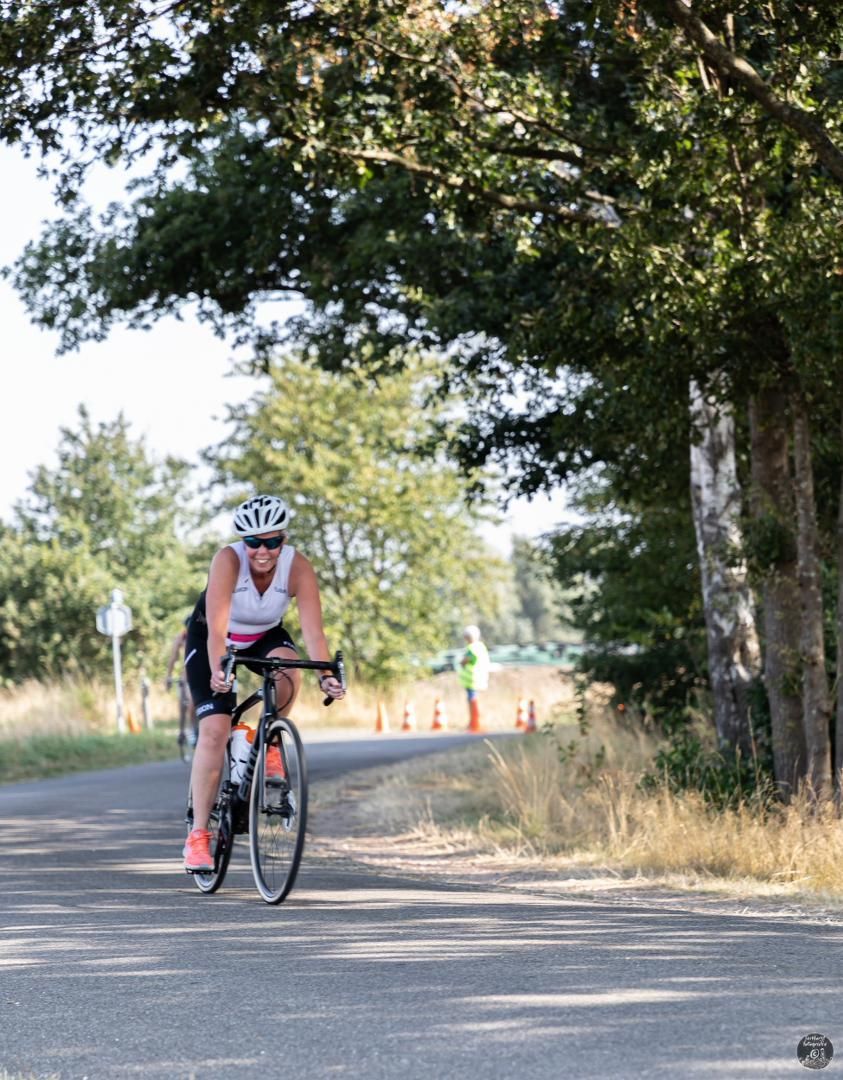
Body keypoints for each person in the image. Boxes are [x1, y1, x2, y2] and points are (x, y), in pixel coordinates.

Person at [182, 493, 345, 873]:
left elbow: (314, 634)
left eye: (272, 541)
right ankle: (198, 838)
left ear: (283, 540)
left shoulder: (297, 567)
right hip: (214, 639)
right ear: (243, 541)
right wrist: (219, 672)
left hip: (264, 636)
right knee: (214, 731)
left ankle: (267, 741)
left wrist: (326, 676)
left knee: (289, 667)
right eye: (253, 542)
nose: (263, 551)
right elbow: (216, 631)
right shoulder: (227, 560)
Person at [459, 624, 490, 731]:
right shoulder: (481, 647)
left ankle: (475, 722)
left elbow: (467, 659)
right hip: (479, 678)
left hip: (472, 679)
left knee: (472, 700)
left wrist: (462, 662)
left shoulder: (472, 648)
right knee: (475, 700)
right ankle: (475, 722)